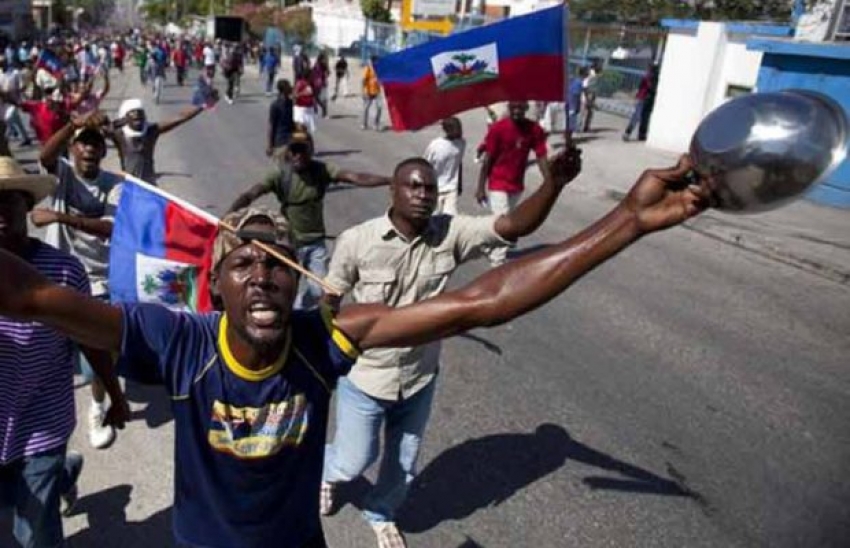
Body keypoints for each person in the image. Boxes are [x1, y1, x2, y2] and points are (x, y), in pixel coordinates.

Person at [0, 153, 712, 548]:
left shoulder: (325, 340)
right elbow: (31, 297)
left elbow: (481, 302)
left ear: (299, 280)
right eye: (242, 262)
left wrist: (626, 222)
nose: (262, 273)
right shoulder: (177, 341)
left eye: (277, 260)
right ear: (213, 285)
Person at [320, 147, 581, 546]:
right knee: (353, 459)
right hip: (367, 376)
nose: (423, 194)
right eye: (413, 186)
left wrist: (553, 185)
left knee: (403, 464)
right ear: (393, 190)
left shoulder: (450, 233)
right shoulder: (357, 241)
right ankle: (327, 473)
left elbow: (513, 226)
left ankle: (381, 512)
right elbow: (330, 301)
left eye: (430, 187)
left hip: (420, 376)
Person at [0, 155, 129, 547]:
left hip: (42, 421)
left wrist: (116, 396)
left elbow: (90, 340)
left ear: (28, 205)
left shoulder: (63, 272)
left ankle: (55, 470)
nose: (0, 210)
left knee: (32, 536)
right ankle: (67, 472)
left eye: (9, 199)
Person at [33, 111, 128, 450]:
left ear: (102, 153)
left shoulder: (114, 185)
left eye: (95, 144)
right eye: (82, 143)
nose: (88, 149)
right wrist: (73, 124)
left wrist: (60, 216)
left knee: (93, 367)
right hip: (56, 281)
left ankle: (98, 405)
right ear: (72, 149)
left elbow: (111, 228)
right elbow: (44, 155)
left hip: (99, 283)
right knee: (40, 357)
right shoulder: (61, 176)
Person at [228, 131, 391, 310]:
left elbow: (356, 178)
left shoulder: (321, 170)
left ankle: (301, 314)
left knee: (318, 290)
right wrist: (230, 214)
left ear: (311, 151)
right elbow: (252, 193)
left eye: (302, 151)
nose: (297, 156)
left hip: (316, 243)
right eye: (294, 151)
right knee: (285, 288)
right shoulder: (280, 175)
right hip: (290, 243)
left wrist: (391, 180)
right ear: (288, 152)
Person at [475, 101, 549, 266]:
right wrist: (480, 187)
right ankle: (497, 263)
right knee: (504, 221)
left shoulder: (534, 130)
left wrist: (548, 180)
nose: (516, 111)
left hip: (516, 184)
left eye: (520, 108)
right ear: (508, 108)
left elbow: (541, 155)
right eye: (513, 108)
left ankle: (489, 243)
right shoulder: (498, 128)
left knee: (507, 219)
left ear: (526, 109)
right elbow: (489, 159)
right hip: (497, 182)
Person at [108, 98, 207, 184]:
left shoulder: (151, 131)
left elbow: (180, 118)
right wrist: (114, 124)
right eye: (132, 115)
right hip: (128, 184)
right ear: (125, 119)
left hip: (149, 185)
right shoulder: (119, 135)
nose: (137, 116)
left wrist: (202, 106)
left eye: (139, 114)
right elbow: (98, 128)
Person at [423, 117, 466, 215]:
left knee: (450, 217)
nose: (460, 132)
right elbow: (425, 165)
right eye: (457, 129)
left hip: (451, 188)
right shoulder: (435, 145)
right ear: (447, 130)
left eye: (460, 128)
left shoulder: (461, 143)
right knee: (433, 216)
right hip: (435, 188)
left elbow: (459, 162)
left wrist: (459, 183)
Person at [623, 65, 658, 142]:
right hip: (643, 99)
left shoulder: (654, 78)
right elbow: (650, 87)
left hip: (649, 100)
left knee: (645, 118)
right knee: (637, 116)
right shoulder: (647, 77)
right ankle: (627, 133)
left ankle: (642, 135)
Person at [267, 79, 295, 158]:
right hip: (281, 139)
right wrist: (270, 145)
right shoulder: (275, 105)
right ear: (283, 91)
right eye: (288, 87)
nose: (291, 89)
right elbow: (271, 125)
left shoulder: (291, 103)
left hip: (292, 138)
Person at [293, 70, 317, 135]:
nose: (313, 76)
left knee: (308, 129)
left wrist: (315, 106)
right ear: (308, 75)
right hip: (300, 108)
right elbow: (295, 95)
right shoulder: (300, 83)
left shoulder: (312, 83)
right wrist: (303, 93)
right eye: (312, 75)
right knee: (300, 127)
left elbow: (313, 95)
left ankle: (306, 141)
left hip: (309, 108)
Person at [362, 55, 382, 131]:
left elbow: (381, 80)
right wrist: (363, 91)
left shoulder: (379, 69)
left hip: (377, 92)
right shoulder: (368, 69)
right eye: (376, 61)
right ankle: (364, 124)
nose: (377, 63)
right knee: (366, 108)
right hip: (369, 91)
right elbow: (363, 80)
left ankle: (375, 124)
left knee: (379, 107)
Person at [312, 53, 330, 118]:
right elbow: (314, 74)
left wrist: (327, 71)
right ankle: (318, 110)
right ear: (321, 59)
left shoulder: (324, 65)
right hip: (317, 84)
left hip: (323, 84)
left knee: (323, 99)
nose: (325, 60)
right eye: (324, 59)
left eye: (326, 59)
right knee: (315, 98)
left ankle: (324, 113)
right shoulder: (317, 65)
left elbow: (328, 74)